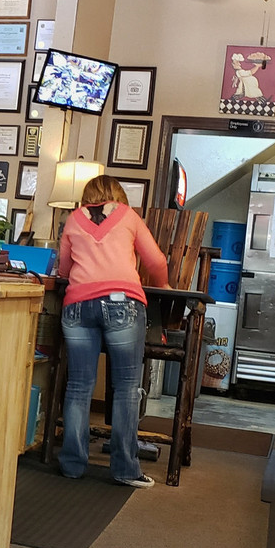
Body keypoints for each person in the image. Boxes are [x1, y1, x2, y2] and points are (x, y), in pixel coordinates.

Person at [56, 175, 169, 489]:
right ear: (118, 195)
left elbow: (63, 269)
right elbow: (156, 260)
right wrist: (163, 285)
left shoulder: (73, 219)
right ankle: (125, 469)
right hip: (122, 304)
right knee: (126, 388)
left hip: (77, 305)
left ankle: (72, 465)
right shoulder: (128, 216)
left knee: (78, 386)